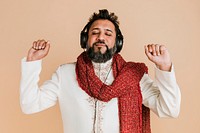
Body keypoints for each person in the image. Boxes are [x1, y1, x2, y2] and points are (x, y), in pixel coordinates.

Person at [20, 9, 181, 133]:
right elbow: (30, 105)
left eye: (108, 33)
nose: (101, 37)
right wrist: (33, 62)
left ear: (117, 43)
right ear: (85, 40)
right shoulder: (65, 74)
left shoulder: (133, 76)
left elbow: (169, 109)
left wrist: (164, 68)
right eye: (95, 33)